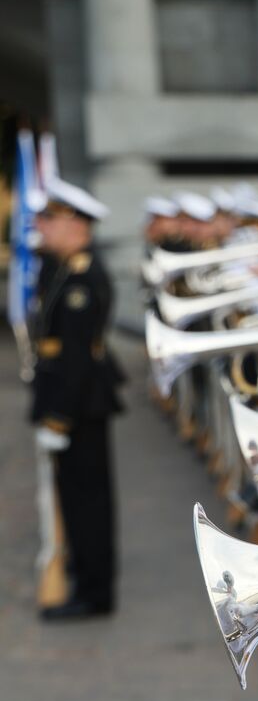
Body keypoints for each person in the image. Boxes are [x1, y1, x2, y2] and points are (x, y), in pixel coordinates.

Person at [29, 178, 124, 621]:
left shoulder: (84, 276)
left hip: (79, 403)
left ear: (75, 225)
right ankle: (86, 577)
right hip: (72, 398)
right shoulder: (65, 267)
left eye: (50, 220)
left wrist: (59, 418)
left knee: (87, 502)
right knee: (76, 496)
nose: (41, 227)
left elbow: (75, 359)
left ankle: (94, 592)